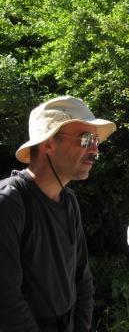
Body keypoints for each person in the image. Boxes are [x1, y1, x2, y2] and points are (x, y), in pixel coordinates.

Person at [0, 96, 116, 331]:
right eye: (85, 139)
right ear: (49, 145)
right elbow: (6, 301)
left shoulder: (68, 200)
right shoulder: (9, 203)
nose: (95, 149)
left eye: (95, 140)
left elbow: (82, 280)